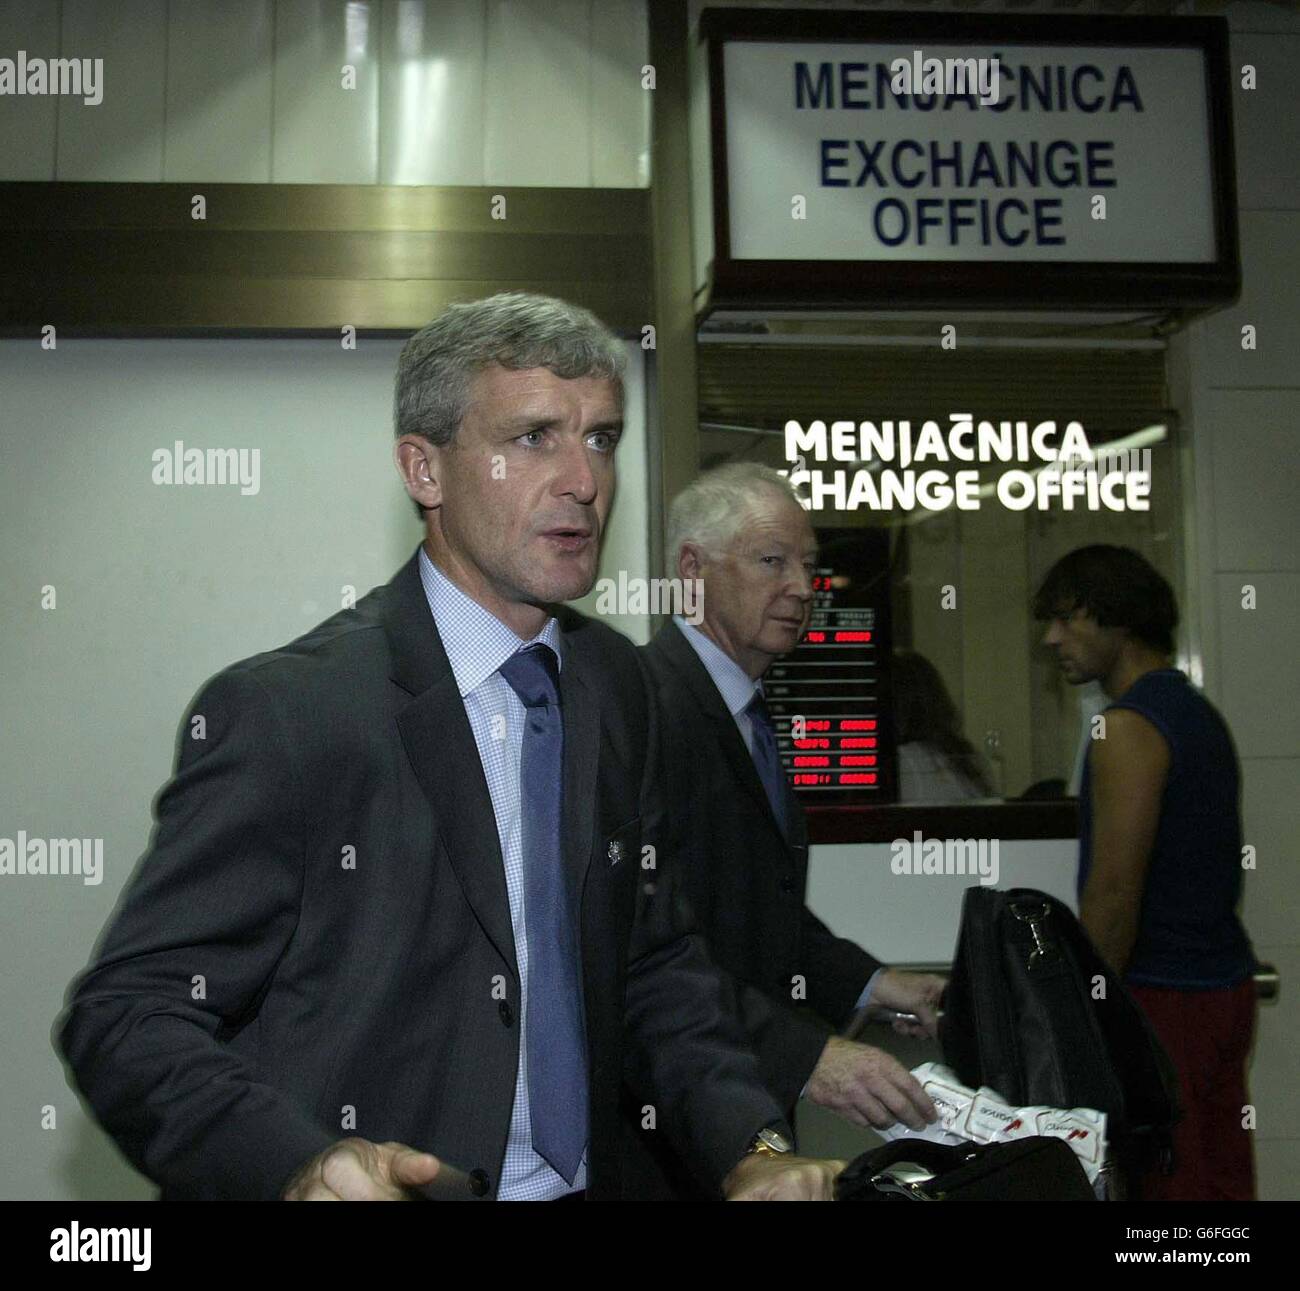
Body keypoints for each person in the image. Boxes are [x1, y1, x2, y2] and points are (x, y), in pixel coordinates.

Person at [55, 293, 846, 1202]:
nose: (584, 481)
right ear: (423, 469)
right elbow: (129, 1016)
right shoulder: (291, 710)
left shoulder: (618, 687)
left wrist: (752, 1146)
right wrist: (295, 1164)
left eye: (601, 438)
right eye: (534, 437)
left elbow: (651, 962)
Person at [623, 462, 944, 1198]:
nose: (803, 587)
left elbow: (754, 907)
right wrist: (807, 1053)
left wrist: (871, 981)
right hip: (677, 1127)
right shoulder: (646, 709)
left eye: (810, 565)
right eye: (774, 561)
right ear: (691, 569)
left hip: (742, 1116)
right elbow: (655, 950)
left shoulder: (748, 711)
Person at [1033, 544, 1258, 1201]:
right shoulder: (1198, 714)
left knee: (1170, 1193)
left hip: (1165, 999)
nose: (1053, 638)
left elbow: (1113, 891)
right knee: (1220, 1180)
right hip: (1222, 987)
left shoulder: (1128, 728)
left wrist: (1088, 1015)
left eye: (1067, 619)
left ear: (1115, 620)